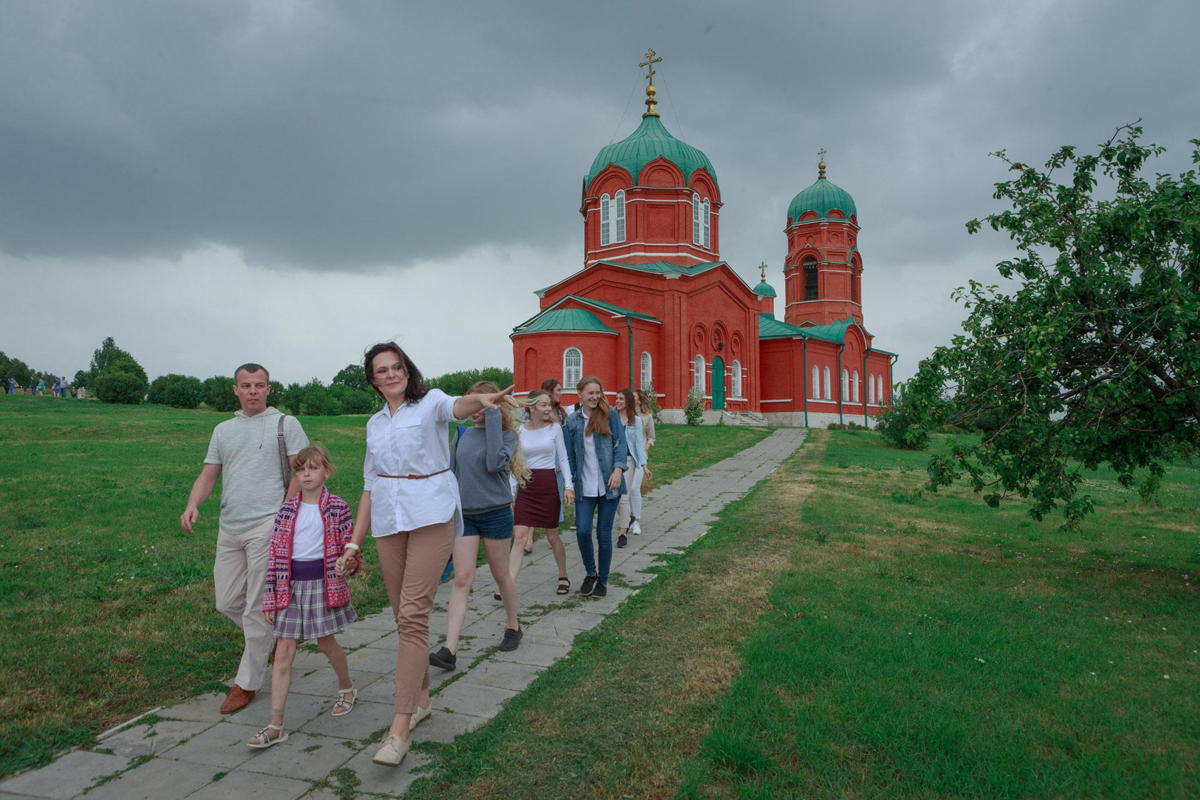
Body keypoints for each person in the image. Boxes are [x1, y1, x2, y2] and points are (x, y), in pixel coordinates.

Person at [337, 342, 517, 768]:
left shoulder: (430, 402)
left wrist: (482, 400)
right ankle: (420, 701)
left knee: (414, 615)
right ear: (373, 379)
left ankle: (399, 728)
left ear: (407, 370)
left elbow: (456, 407)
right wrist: (353, 542)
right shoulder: (374, 424)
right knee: (401, 616)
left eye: (396, 367)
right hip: (388, 520)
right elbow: (369, 483)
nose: (390, 375)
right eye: (381, 370)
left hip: (432, 515)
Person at [180, 364, 308, 714]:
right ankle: (276, 635)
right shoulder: (223, 430)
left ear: (269, 389)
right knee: (226, 601)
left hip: (267, 524)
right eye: (246, 385)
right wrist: (193, 504)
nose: (253, 391)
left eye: (259, 385)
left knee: (255, 607)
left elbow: (302, 471)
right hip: (230, 526)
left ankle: (246, 683)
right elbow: (209, 474)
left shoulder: (287, 424)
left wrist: (285, 512)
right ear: (235, 390)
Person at [248, 445, 359, 748]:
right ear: (295, 474)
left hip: (323, 587)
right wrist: (269, 598)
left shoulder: (338, 506)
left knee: (326, 643)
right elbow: (275, 557)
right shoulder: (286, 511)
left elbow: (351, 549)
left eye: (313, 468)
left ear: (326, 470)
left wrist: (350, 562)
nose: (307, 474)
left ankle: (347, 688)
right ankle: (275, 726)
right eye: (301, 469)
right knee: (283, 651)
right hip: (290, 588)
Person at [429, 381, 527, 672]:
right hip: (466, 515)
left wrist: (495, 417)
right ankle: (450, 649)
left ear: (493, 404)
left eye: (481, 403)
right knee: (462, 578)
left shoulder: (508, 435)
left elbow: (495, 463)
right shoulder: (461, 434)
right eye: (471, 403)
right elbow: (451, 474)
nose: (474, 409)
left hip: (496, 513)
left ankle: (513, 626)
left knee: (501, 575)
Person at [563, 376, 626, 598]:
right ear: (579, 393)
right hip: (584, 487)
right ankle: (591, 573)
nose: (594, 397)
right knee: (582, 531)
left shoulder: (610, 415)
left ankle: (603, 580)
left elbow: (620, 445)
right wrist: (569, 486)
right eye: (590, 393)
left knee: (603, 534)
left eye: (597, 392)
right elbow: (569, 458)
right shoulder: (571, 422)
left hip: (609, 485)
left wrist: (618, 469)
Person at [508, 389, 574, 594]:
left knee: (552, 536)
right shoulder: (520, 431)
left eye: (549, 405)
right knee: (519, 537)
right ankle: (508, 585)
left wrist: (569, 487)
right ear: (532, 407)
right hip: (526, 486)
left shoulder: (555, 428)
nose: (548, 409)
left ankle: (563, 574)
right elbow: (515, 463)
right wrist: (512, 493)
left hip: (547, 485)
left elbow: (563, 458)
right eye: (544, 405)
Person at [614, 389, 652, 548]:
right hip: (613, 462)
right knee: (613, 497)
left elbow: (638, 444)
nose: (617, 401)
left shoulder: (635, 421)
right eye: (616, 398)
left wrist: (643, 465)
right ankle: (629, 516)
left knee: (624, 496)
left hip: (629, 461)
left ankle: (622, 534)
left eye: (621, 399)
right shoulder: (611, 417)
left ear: (628, 402)